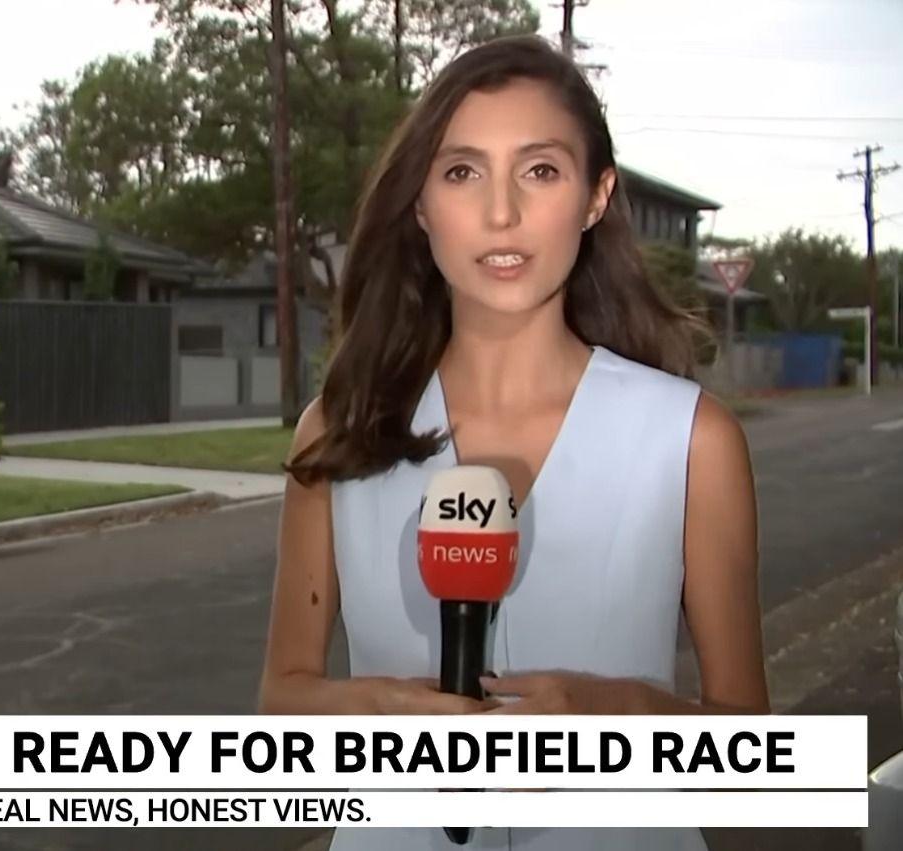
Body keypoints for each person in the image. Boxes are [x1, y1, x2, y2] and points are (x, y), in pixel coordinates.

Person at [257, 34, 771, 851]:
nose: (501, 213)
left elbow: (754, 766)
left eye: (539, 170)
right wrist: (375, 710)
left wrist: (620, 717)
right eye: (462, 172)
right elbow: (283, 703)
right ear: (420, 204)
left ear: (595, 196)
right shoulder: (338, 431)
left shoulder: (691, 440)